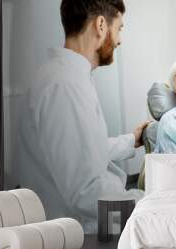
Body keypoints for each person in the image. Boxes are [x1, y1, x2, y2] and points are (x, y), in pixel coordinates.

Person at [17, 0, 148, 233]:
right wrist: (147, 205)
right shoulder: (64, 85)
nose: (119, 40)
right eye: (118, 29)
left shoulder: (67, 77)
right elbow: (86, 190)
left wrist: (131, 140)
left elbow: (82, 151)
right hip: (76, 237)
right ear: (100, 25)